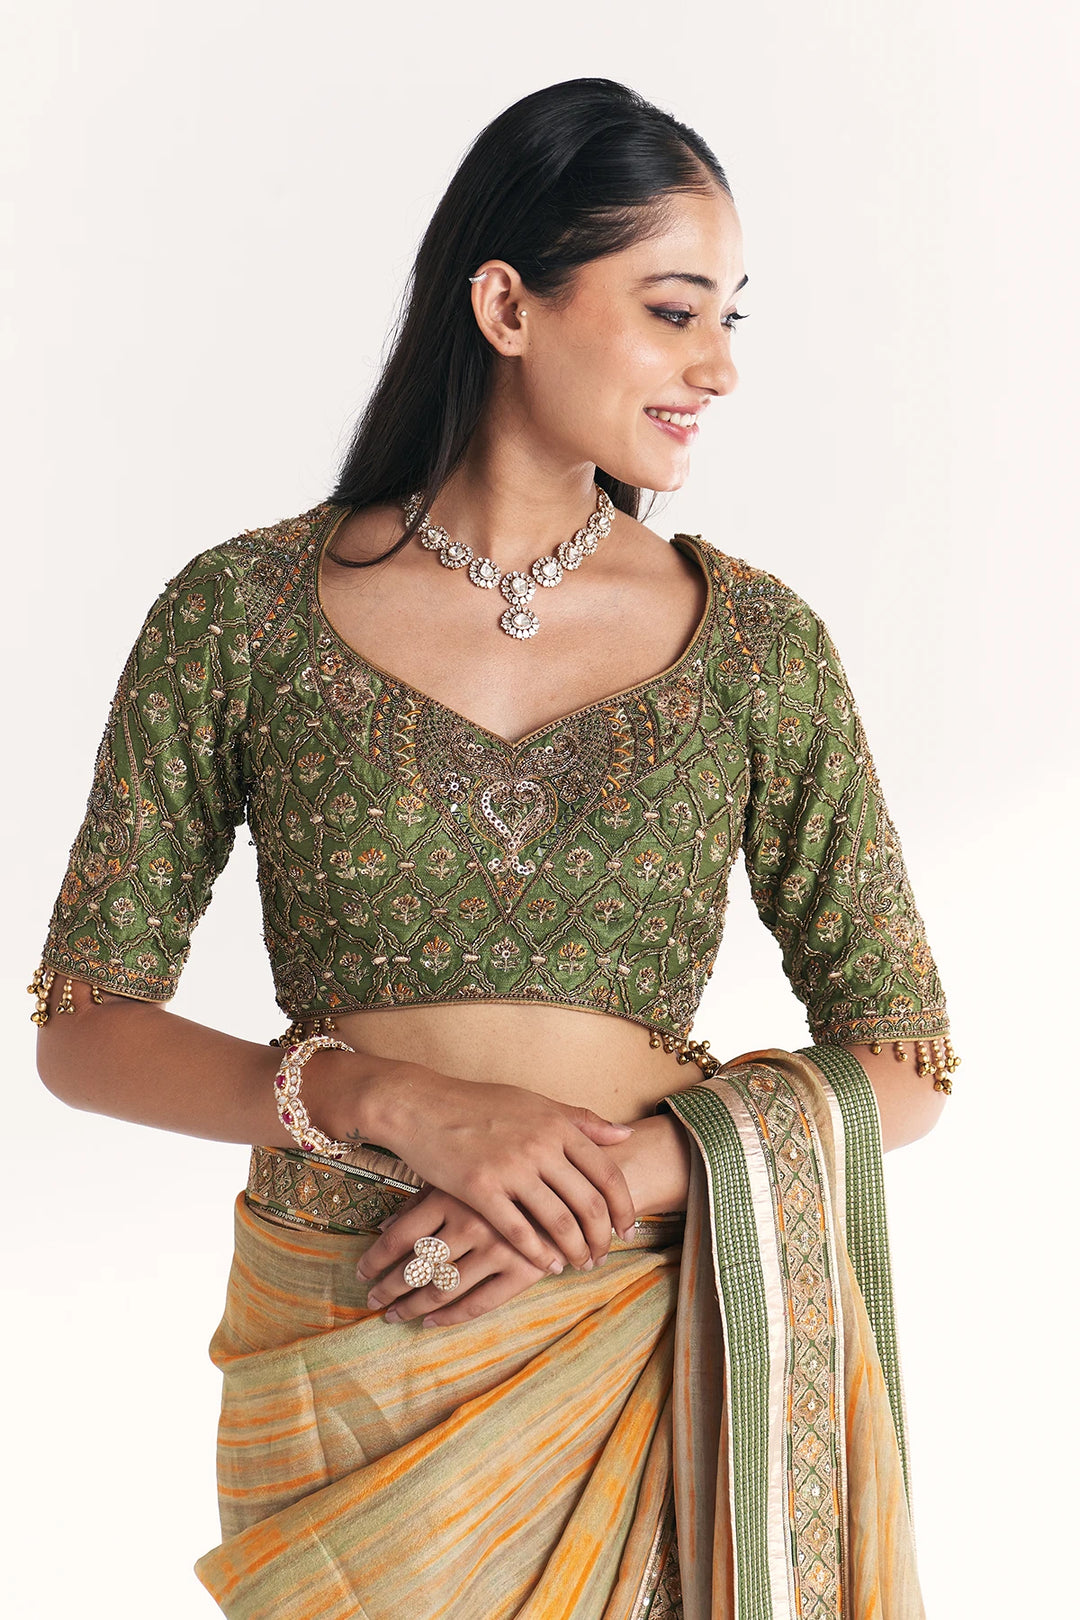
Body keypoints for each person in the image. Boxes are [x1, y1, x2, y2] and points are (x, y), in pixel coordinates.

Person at [31, 77, 957, 1620]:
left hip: (646, 1342)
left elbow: (908, 1054)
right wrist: (395, 1104)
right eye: (673, 311)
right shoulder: (238, 617)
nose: (718, 367)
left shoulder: (757, 650)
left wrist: (624, 1176)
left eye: (732, 318)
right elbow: (85, 1027)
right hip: (355, 1343)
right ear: (507, 304)